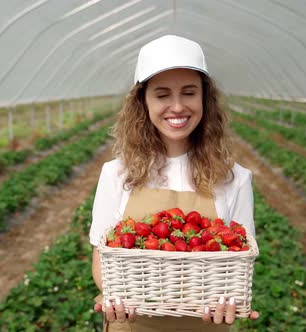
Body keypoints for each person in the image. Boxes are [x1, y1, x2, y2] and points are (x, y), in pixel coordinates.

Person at [88, 35, 260, 331]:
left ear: (205, 98)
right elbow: (102, 259)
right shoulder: (116, 173)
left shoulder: (236, 179)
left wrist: (228, 301)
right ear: (143, 101)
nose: (177, 106)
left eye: (189, 93)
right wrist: (117, 297)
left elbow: (238, 261)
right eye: (162, 94)